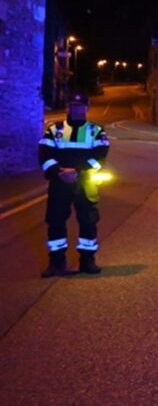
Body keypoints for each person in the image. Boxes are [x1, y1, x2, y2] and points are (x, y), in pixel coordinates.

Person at [38, 91, 110, 277]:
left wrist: (76, 171)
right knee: (55, 222)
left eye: (80, 106)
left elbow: (100, 157)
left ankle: (87, 261)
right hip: (59, 183)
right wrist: (58, 172)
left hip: (85, 183)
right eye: (73, 106)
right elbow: (45, 154)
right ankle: (56, 263)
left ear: (87, 107)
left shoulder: (96, 131)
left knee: (88, 221)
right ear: (68, 107)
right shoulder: (55, 130)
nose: (77, 109)